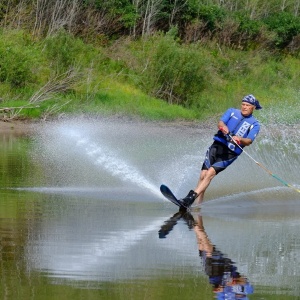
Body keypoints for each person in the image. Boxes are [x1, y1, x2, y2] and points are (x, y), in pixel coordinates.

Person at [181, 94, 262, 208]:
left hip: (230, 153)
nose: (244, 107)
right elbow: (221, 122)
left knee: (210, 173)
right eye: (243, 104)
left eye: (247, 105)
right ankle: (198, 206)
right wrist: (223, 127)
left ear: (253, 107)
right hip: (217, 145)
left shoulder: (255, 124)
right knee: (203, 174)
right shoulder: (232, 112)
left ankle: (190, 199)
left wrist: (240, 139)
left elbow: (249, 141)